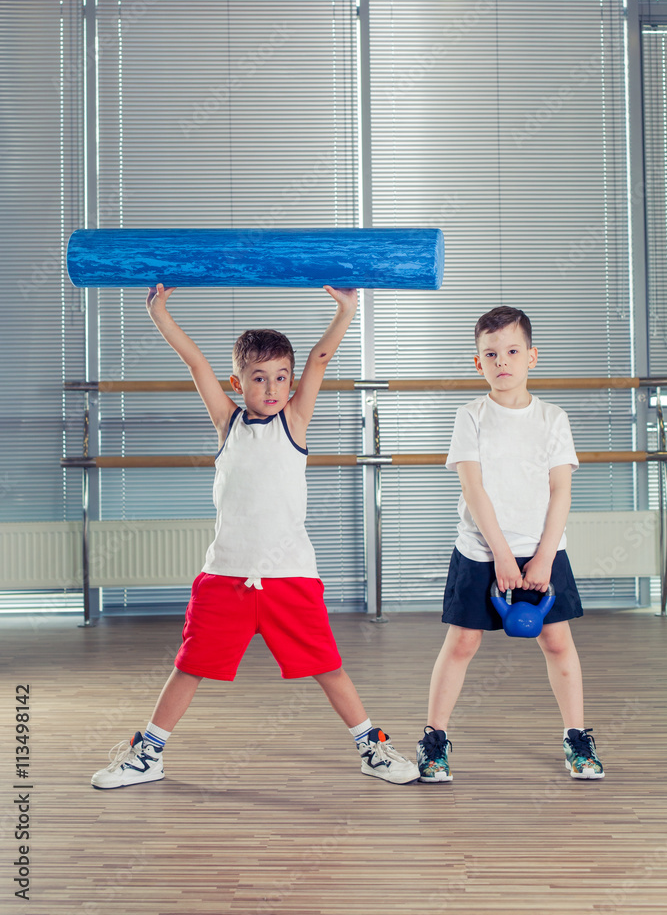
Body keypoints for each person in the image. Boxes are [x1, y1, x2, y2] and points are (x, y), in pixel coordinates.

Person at [92, 283, 419, 789]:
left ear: (291, 383)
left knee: (328, 666)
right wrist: (160, 312)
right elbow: (195, 362)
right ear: (238, 382)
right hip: (225, 577)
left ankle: (371, 749)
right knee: (189, 666)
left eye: (280, 378)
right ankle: (148, 755)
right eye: (259, 378)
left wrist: (346, 310)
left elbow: (321, 357)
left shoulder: (296, 419)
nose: (271, 388)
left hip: (291, 577)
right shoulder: (228, 423)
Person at [416, 305, 604, 783]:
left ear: (532, 357)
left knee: (558, 642)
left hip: (544, 550)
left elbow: (561, 489)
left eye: (513, 351)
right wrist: (501, 553)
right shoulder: (470, 417)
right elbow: (473, 489)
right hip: (482, 551)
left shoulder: (553, 418)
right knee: (461, 643)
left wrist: (543, 555)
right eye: (491, 353)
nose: (503, 361)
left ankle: (577, 738)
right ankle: (434, 741)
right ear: (478, 363)